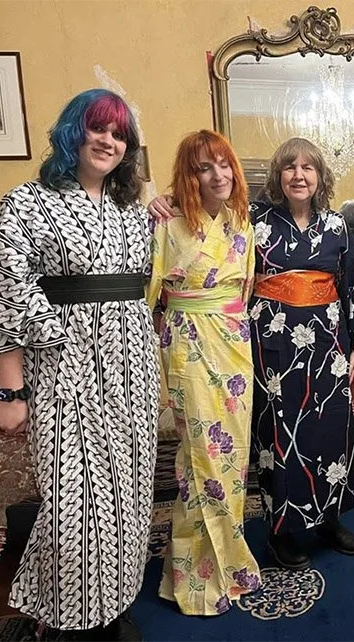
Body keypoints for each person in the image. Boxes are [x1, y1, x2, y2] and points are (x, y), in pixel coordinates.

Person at [0, 89, 159, 639]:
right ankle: (73, 620)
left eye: (119, 134)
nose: (108, 141)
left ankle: (113, 608)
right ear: (73, 131)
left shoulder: (130, 210)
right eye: (98, 128)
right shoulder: (27, 203)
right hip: (63, 374)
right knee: (75, 508)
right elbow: (4, 296)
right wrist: (10, 392)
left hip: (133, 374)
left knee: (128, 502)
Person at [147, 130, 261, 615]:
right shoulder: (166, 223)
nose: (218, 175)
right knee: (200, 459)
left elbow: (246, 288)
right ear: (188, 177)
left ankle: (223, 565)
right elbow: (148, 296)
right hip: (188, 344)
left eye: (224, 164)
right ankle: (196, 580)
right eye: (204, 168)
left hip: (233, 342)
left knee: (232, 458)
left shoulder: (240, 221)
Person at [250, 137, 354, 569]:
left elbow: (353, 282)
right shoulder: (253, 221)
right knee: (279, 435)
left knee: (330, 429)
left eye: (308, 168)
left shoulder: (336, 226)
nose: (299, 175)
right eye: (290, 167)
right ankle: (280, 532)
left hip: (327, 343)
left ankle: (329, 519)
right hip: (274, 345)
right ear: (278, 175)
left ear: (320, 176)